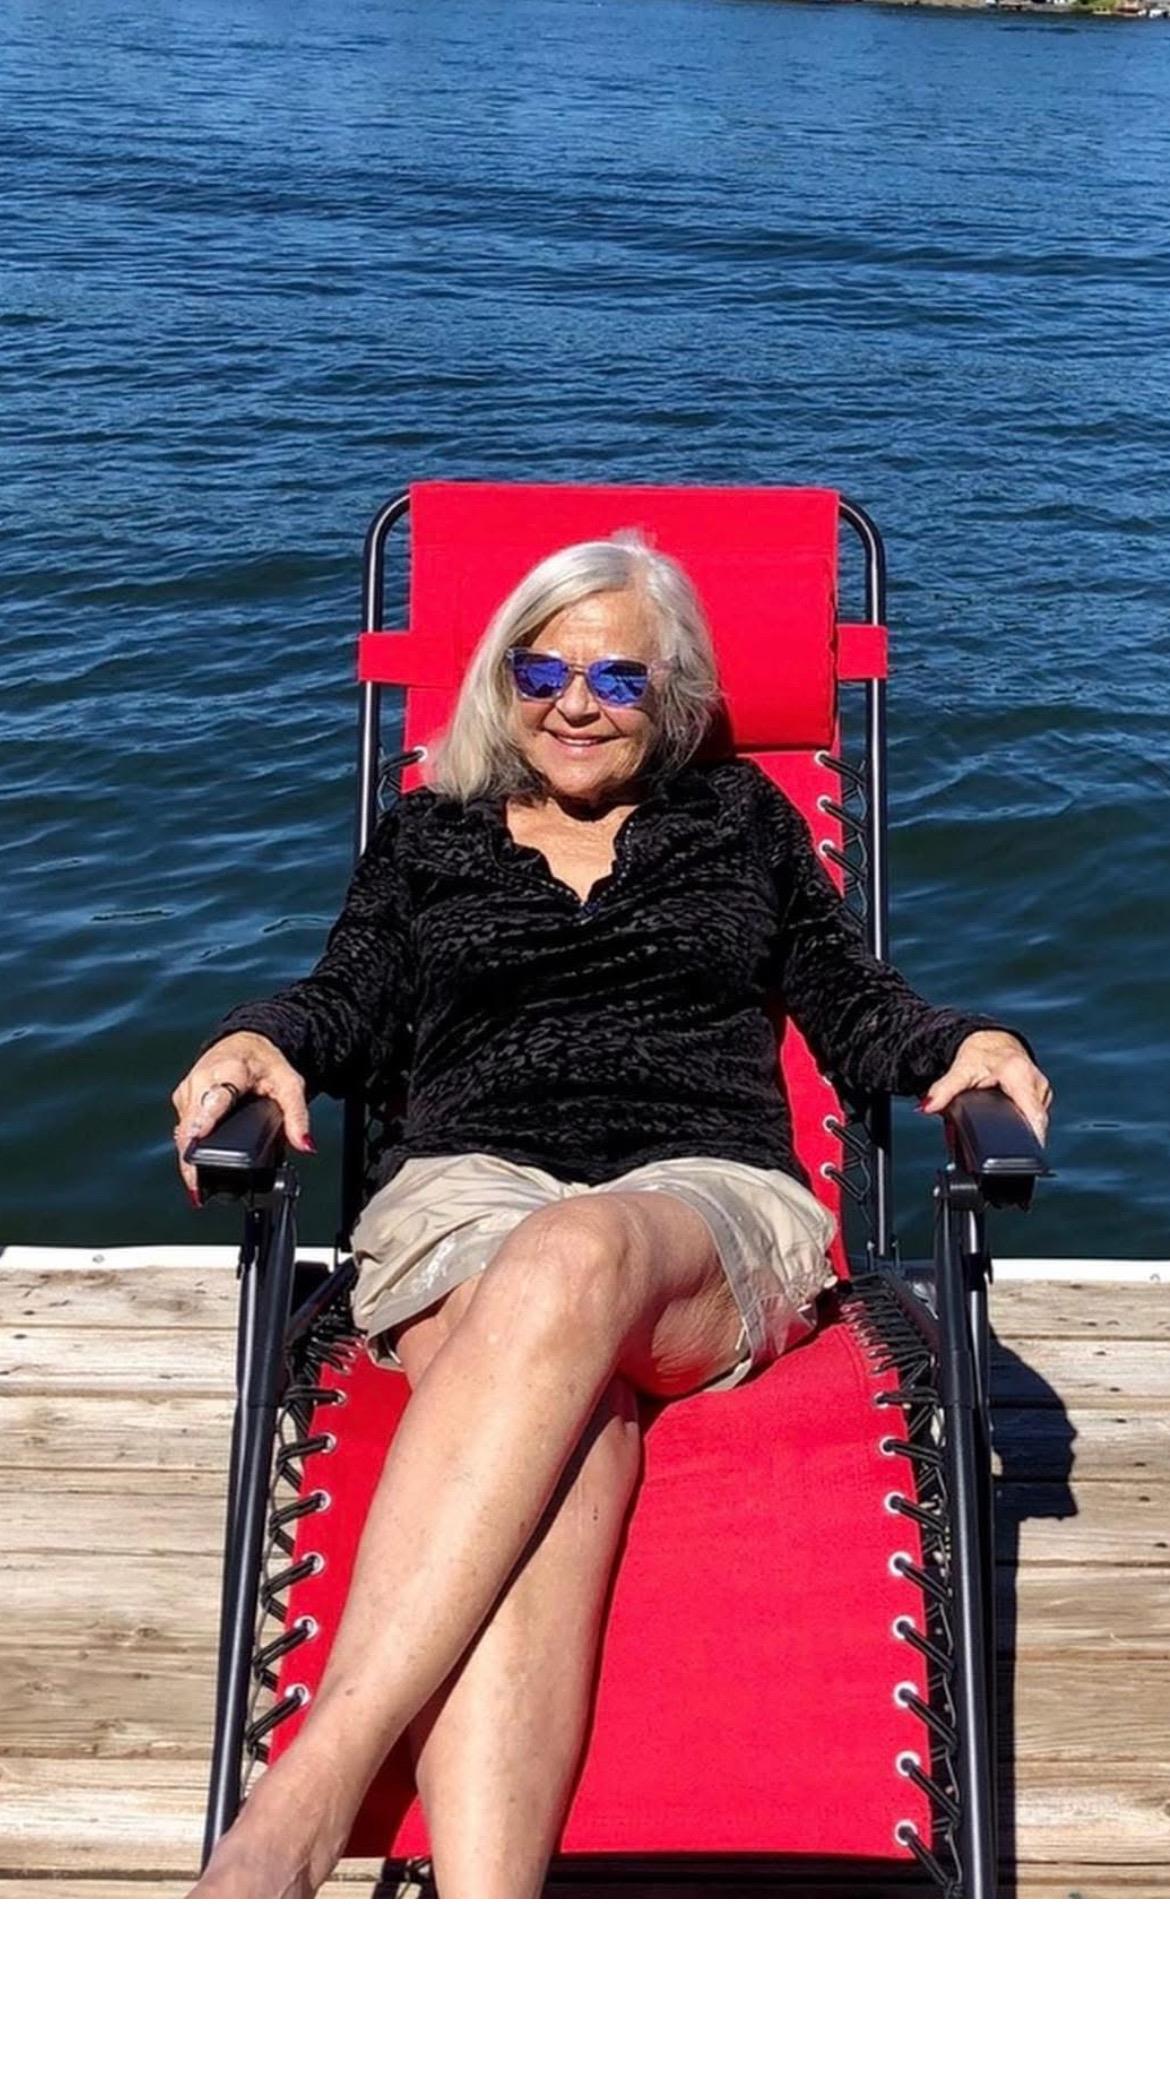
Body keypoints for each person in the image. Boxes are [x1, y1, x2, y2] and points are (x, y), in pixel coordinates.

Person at [173, 535, 1051, 1898]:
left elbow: (849, 1000)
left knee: (573, 1252)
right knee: (562, 1423)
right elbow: (339, 1002)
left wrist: (960, 1043)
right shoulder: (431, 835)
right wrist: (258, 1041)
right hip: (464, 1194)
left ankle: (306, 1791)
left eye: (616, 678)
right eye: (541, 667)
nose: (573, 702)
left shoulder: (741, 823)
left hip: (700, 1206)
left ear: (677, 694)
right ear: (498, 677)